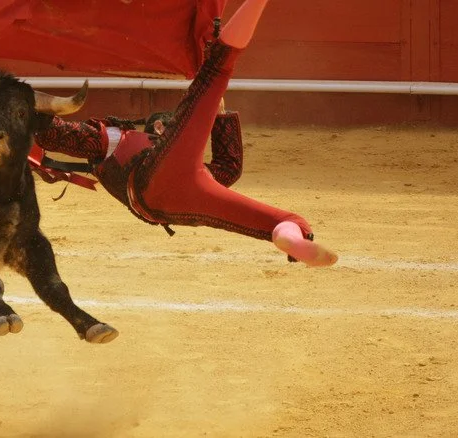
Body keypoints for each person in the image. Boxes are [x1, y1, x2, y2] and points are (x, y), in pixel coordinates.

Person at [33, 0, 338, 267]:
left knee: (219, 69)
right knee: (217, 69)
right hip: (172, 199)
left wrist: (26, 109)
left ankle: (290, 238)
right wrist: (216, 110)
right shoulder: (143, 144)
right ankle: (289, 237)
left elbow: (56, 136)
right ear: (162, 128)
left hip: (162, 200)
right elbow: (229, 165)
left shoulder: (117, 139)